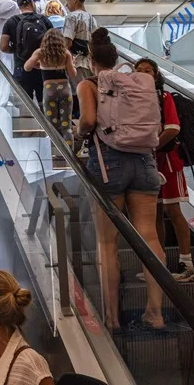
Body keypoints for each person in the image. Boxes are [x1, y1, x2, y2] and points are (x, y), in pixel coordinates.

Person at [76, 28, 165, 331]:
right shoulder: (135, 81)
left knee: (107, 243)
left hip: (108, 165)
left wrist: (79, 134)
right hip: (145, 161)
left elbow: (88, 120)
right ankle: (155, 312)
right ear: (116, 58)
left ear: (91, 59)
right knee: (150, 237)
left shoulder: (89, 84)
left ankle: (112, 316)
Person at [134, 59, 194, 282]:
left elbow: (173, 128)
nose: (143, 74)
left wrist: (150, 147)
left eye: (148, 71)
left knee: (174, 212)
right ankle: (159, 262)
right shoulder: (133, 99)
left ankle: (187, 263)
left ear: (155, 75)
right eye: (139, 71)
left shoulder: (164, 98)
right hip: (147, 164)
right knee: (154, 215)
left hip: (168, 163)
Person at [24, 29, 76, 147]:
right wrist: (73, 63)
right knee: (66, 126)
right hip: (65, 90)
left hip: (49, 90)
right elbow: (73, 74)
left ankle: (55, 152)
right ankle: (70, 154)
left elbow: (27, 67)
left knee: (52, 125)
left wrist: (40, 65)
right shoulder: (66, 53)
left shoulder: (40, 52)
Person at [1, 0, 53, 105]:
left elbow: (3, 47)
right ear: (32, 3)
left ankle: (27, 122)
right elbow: (53, 42)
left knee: (25, 106)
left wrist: (16, 49)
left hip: (21, 66)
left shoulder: (11, 22)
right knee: (46, 104)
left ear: (19, 6)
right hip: (42, 67)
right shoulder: (43, 20)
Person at [61, 0, 97, 85]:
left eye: (68, 0)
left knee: (77, 94)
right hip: (89, 64)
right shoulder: (92, 18)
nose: (66, 4)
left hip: (75, 63)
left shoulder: (72, 17)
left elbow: (67, 42)